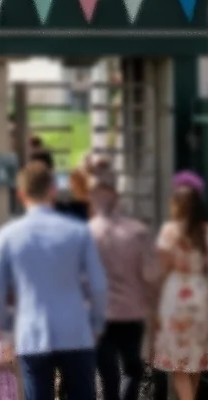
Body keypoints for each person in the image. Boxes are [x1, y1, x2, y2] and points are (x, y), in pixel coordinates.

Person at [0, 161, 108, 400]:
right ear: (53, 190)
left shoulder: (8, 235)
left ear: (20, 194)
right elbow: (98, 285)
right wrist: (96, 324)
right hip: (75, 329)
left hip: (31, 331)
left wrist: (7, 328)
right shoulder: (78, 231)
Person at [88, 168, 158, 400]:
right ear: (117, 197)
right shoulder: (137, 231)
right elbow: (150, 274)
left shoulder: (86, 234)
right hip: (131, 312)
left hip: (99, 313)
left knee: (107, 374)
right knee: (132, 369)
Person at [152, 185, 208, 400]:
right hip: (201, 292)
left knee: (179, 365)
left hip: (177, 293)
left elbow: (163, 268)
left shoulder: (169, 231)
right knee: (195, 361)